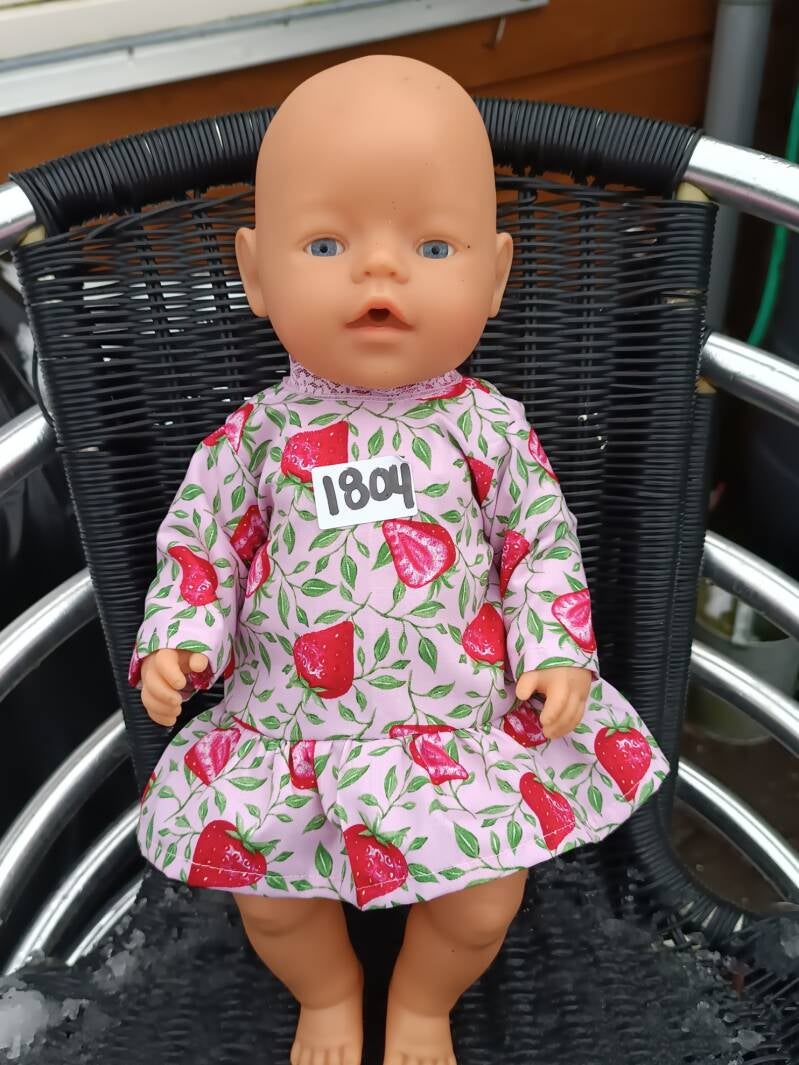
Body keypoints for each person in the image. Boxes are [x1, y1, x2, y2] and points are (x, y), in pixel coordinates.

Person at [130, 54, 669, 1065]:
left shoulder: (488, 429)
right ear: (255, 273)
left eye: (430, 244)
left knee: (482, 903)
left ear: (494, 277)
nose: (379, 273)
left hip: (461, 732)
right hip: (290, 735)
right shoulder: (254, 439)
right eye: (326, 243)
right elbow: (201, 548)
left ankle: (422, 1003)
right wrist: (180, 641)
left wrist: (556, 650)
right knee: (270, 901)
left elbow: (539, 542)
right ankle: (329, 993)